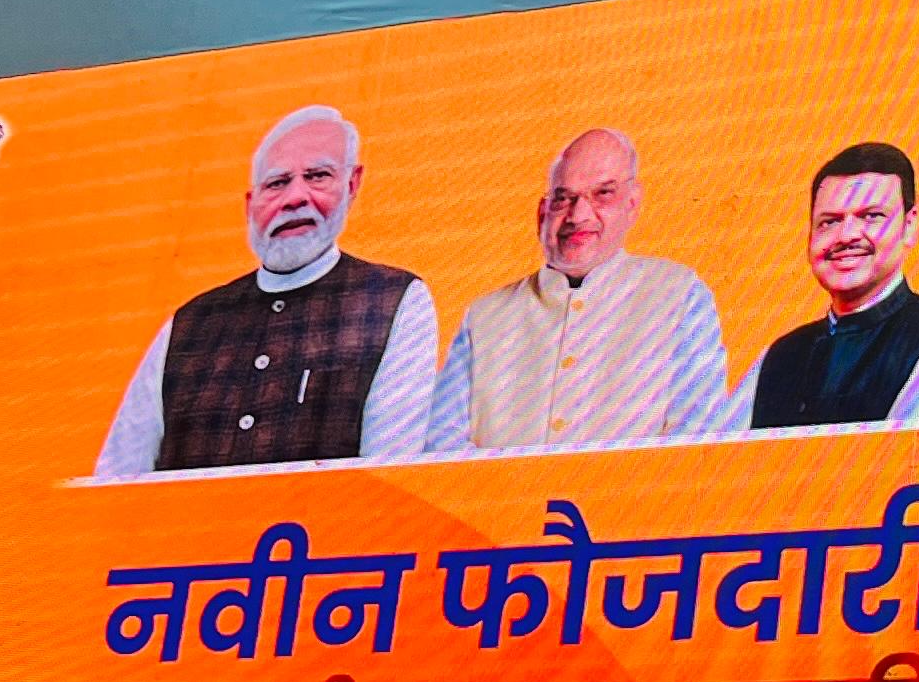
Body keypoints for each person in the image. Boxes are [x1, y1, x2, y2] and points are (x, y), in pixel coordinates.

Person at [93, 105, 437, 478]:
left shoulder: (394, 300)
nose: (294, 198)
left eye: (317, 176)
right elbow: (117, 479)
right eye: (276, 183)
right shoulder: (190, 323)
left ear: (352, 185)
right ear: (249, 206)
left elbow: (391, 477)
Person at [425, 126, 733, 453]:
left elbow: (698, 442)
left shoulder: (679, 294)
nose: (578, 215)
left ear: (632, 204)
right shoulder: (485, 316)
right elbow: (442, 446)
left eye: (603, 194)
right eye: (563, 199)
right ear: (542, 215)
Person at [737, 141, 919, 431]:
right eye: (829, 222)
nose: (847, 236)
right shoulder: (781, 356)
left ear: (909, 226)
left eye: (871, 216)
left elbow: (915, 453)